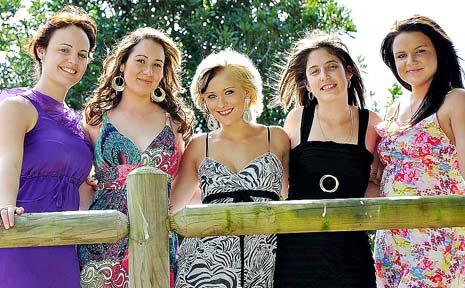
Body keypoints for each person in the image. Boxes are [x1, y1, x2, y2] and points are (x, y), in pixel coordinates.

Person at [78, 27, 193, 287]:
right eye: (140, 61)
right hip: (103, 241)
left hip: (159, 240)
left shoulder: (173, 123)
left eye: (157, 64)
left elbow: (185, 185)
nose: (148, 71)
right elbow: (82, 182)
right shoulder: (95, 120)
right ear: (122, 64)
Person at [171, 49, 289, 288]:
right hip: (203, 269)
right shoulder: (198, 145)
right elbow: (172, 208)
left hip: (264, 264)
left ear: (247, 92)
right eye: (211, 96)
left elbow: (293, 196)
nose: (221, 103)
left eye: (229, 92)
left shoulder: (276, 138)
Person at [273, 32, 380, 287]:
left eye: (332, 67)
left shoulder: (372, 124)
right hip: (298, 249)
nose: (325, 76)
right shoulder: (297, 120)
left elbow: (377, 183)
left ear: (349, 72)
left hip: (351, 250)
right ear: (307, 84)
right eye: (315, 71)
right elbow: (282, 184)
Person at [0, 5, 96, 287]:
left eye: (82, 55)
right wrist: (4, 203)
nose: (73, 60)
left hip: (65, 246)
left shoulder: (81, 124)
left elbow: (81, 190)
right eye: (64, 50)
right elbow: (7, 160)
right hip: (18, 233)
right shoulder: (18, 107)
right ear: (41, 51)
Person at [373, 15, 465, 287]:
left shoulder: (454, 100)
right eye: (401, 55)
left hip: (436, 237)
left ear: (439, 52)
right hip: (390, 239)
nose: (410, 61)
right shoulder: (392, 109)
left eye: (420, 51)